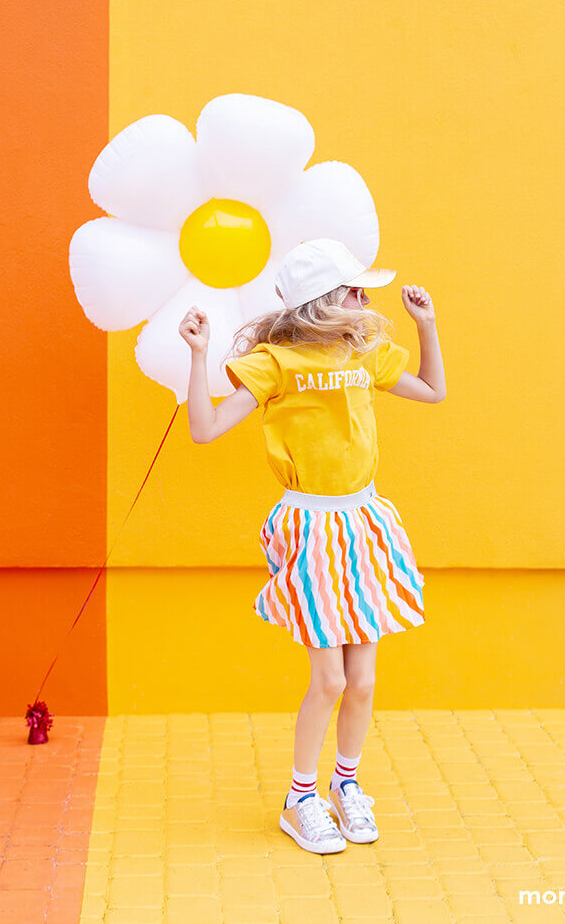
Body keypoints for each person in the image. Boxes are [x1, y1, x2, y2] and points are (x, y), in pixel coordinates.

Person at [179, 238, 446, 855]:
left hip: (363, 523)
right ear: (324, 300)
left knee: (363, 681)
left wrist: (426, 325)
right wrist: (197, 357)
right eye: (354, 289)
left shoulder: (364, 353)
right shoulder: (276, 362)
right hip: (311, 526)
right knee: (327, 679)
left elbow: (431, 390)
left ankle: (346, 785)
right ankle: (301, 799)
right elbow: (205, 428)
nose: (364, 297)